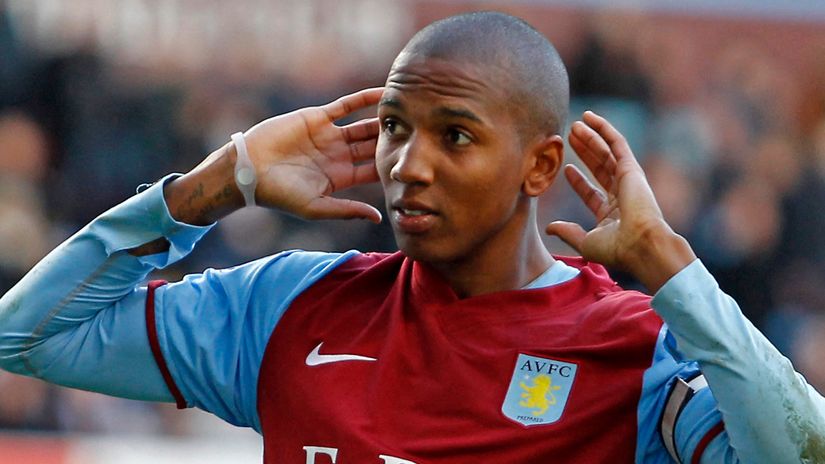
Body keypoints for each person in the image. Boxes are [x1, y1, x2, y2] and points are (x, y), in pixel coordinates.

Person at [0, 11, 823, 463]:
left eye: (454, 136)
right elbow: (28, 336)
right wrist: (214, 185)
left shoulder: (633, 351)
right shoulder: (287, 304)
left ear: (540, 166)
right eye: (395, 126)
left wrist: (675, 273)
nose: (407, 164)